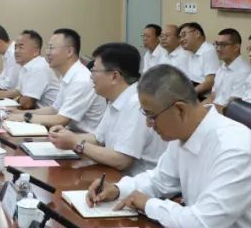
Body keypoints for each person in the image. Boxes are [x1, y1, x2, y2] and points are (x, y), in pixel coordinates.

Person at [88, 64, 251, 228]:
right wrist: (118, 189)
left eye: (152, 116)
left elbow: (204, 225)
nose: (149, 125)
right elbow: (159, 180)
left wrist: (149, 204)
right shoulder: (183, 134)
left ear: (180, 109)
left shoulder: (234, 147)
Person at [49, 42, 167, 174]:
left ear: (114, 76)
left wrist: (76, 143)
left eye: (94, 71)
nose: (91, 76)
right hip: (115, 175)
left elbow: (121, 160)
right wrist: (65, 136)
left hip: (136, 181)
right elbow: (98, 139)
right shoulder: (116, 98)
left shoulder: (136, 103)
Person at [24, 28, 105, 132]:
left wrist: (24, 117)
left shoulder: (81, 79)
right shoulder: (67, 75)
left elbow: (61, 119)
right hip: (69, 134)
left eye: (51, 48)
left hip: (84, 138)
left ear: (69, 51)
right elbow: (54, 109)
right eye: (47, 47)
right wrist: (19, 113)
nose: (47, 53)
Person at [0, 30, 60, 110]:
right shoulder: (26, 67)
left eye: (21, 47)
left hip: (49, 117)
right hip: (36, 113)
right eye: (15, 47)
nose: (16, 51)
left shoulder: (39, 67)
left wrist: (17, 99)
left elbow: (27, 103)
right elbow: (17, 91)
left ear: (35, 51)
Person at [207, 28, 251, 110]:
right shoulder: (222, 67)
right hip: (214, 110)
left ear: (236, 47)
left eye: (223, 45)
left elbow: (232, 108)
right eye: (216, 44)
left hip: (226, 115)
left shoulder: (244, 72)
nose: (218, 49)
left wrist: (206, 112)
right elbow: (212, 97)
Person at [180, 22, 216, 97]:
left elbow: (210, 81)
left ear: (197, 33)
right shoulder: (190, 52)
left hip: (204, 95)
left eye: (184, 35)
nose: (181, 40)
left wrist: (188, 94)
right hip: (192, 90)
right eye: (180, 37)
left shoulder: (208, 50)